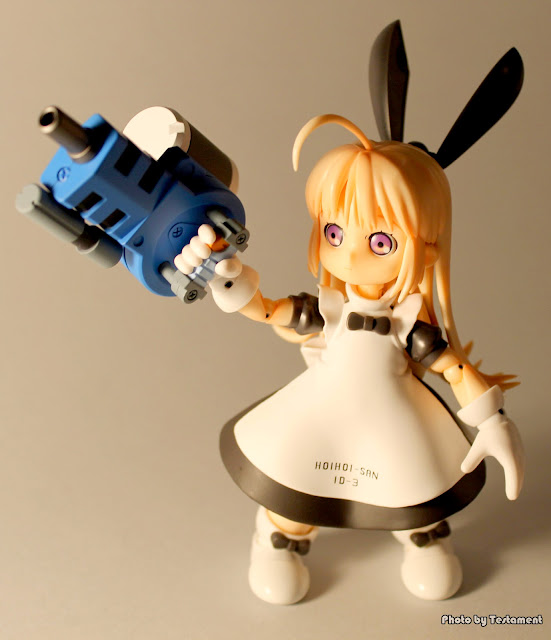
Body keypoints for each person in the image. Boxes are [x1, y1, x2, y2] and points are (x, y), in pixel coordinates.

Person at [175, 114, 524, 605]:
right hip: (322, 414)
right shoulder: (330, 308)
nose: (353, 255)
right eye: (335, 232)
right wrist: (227, 281)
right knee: (297, 481)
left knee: (411, 482)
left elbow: (452, 367)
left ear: (426, 248)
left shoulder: (409, 323)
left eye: (381, 243)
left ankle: (422, 536)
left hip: (393, 421)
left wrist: (491, 420)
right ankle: (279, 537)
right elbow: (271, 311)